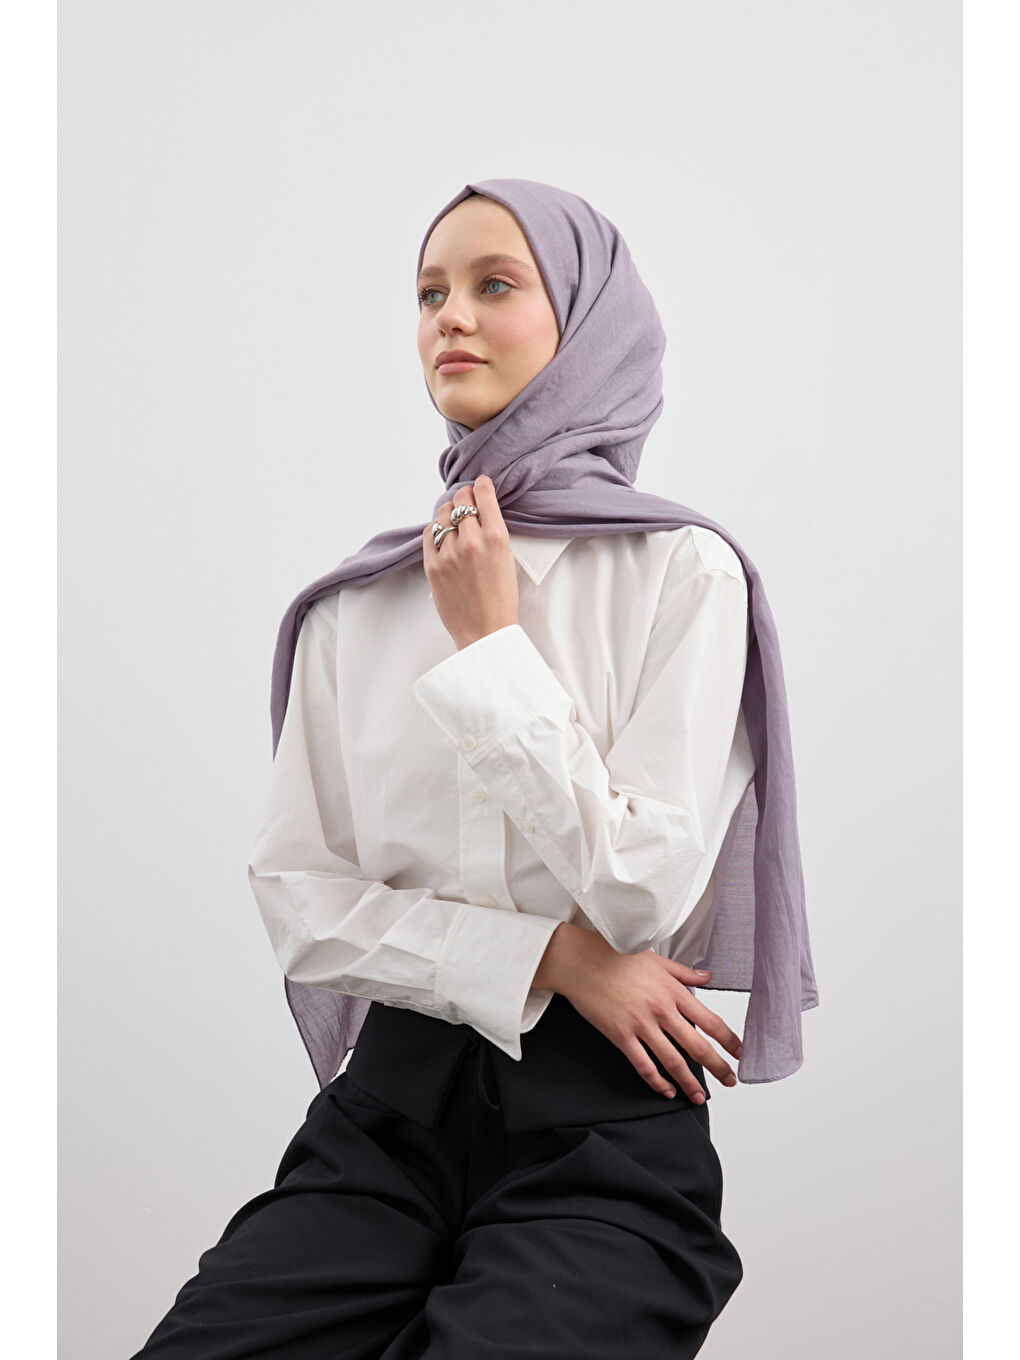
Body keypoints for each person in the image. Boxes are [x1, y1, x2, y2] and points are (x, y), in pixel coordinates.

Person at [130, 178, 811, 1359]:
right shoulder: (354, 606)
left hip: (603, 1136)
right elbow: (302, 904)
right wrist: (549, 956)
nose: (450, 315)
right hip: (383, 1123)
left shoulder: (683, 572)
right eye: (429, 292)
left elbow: (641, 888)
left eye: (495, 284)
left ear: (588, 325)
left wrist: (492, 645)